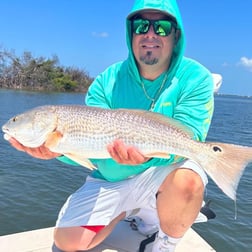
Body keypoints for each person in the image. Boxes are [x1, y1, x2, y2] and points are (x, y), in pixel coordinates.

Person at [8, 0, 215, 251]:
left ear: (176, 34)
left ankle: (165, 243)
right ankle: (123, 210)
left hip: (162, 174)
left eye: (161, 27)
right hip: (113, 176)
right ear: (131, 33)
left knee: (189, 180)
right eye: (141, 26)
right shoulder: (106, 80)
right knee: (67, 243)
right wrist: (58, 152)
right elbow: (91, 150)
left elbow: (191, 134)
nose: (150, 33)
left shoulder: (196, 77)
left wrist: (147, 158)